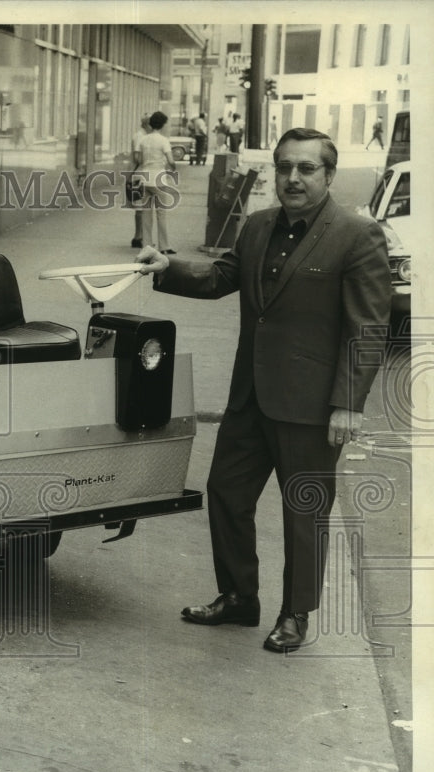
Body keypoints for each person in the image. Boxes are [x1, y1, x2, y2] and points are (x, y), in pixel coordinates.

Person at [135, 128, 391, 653]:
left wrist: (348, 402)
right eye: (284, 168)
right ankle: (238, 598)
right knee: (226, 494)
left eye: (306, 169)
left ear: (328, 175)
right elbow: (223, 274)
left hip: (312, 405)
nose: (293, 178)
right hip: (250, 396)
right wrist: (169, 268)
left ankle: (294, 614)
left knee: (304, 511)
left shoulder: (356, 236)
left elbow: (367, 328)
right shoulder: (256, 227)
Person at [136, 111, 177, 254]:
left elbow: (139, 161)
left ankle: (146, 246)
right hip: (159, 180)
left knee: (146, 214)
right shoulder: (163, 140)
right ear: (162, 125)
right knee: (161, 214)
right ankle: (164, 246)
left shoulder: (143, 140)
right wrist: (172, 168)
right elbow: (171, 161)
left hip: (145, 179)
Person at [129, 113, 152, 248]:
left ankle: (140, 236)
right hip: (138, 173)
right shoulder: (140, 136)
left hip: (138, 173)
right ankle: (138, 236)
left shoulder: (141, 135)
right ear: (146, 125)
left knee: (141, 207)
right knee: (140, 207)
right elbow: (138, 157)